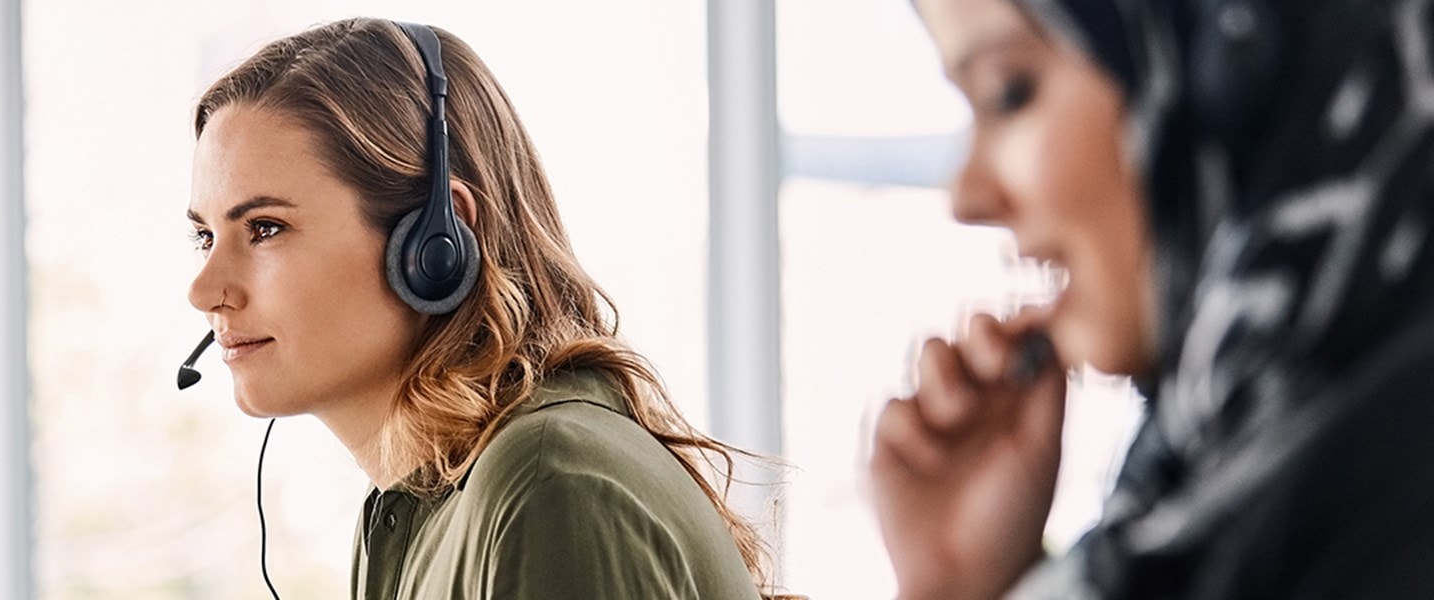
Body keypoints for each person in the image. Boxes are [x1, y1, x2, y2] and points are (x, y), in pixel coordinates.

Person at [187, 17, 789, 599]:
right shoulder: (422, 506)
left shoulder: (546, 487)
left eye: (265, 228)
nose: (204, 290)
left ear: (436, 241)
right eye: (205, 237)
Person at [877, 0, 1434, 597]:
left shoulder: (1378, 518)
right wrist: (961, 585)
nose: (966, 196)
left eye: (1009, 93)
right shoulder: (1228, 485)